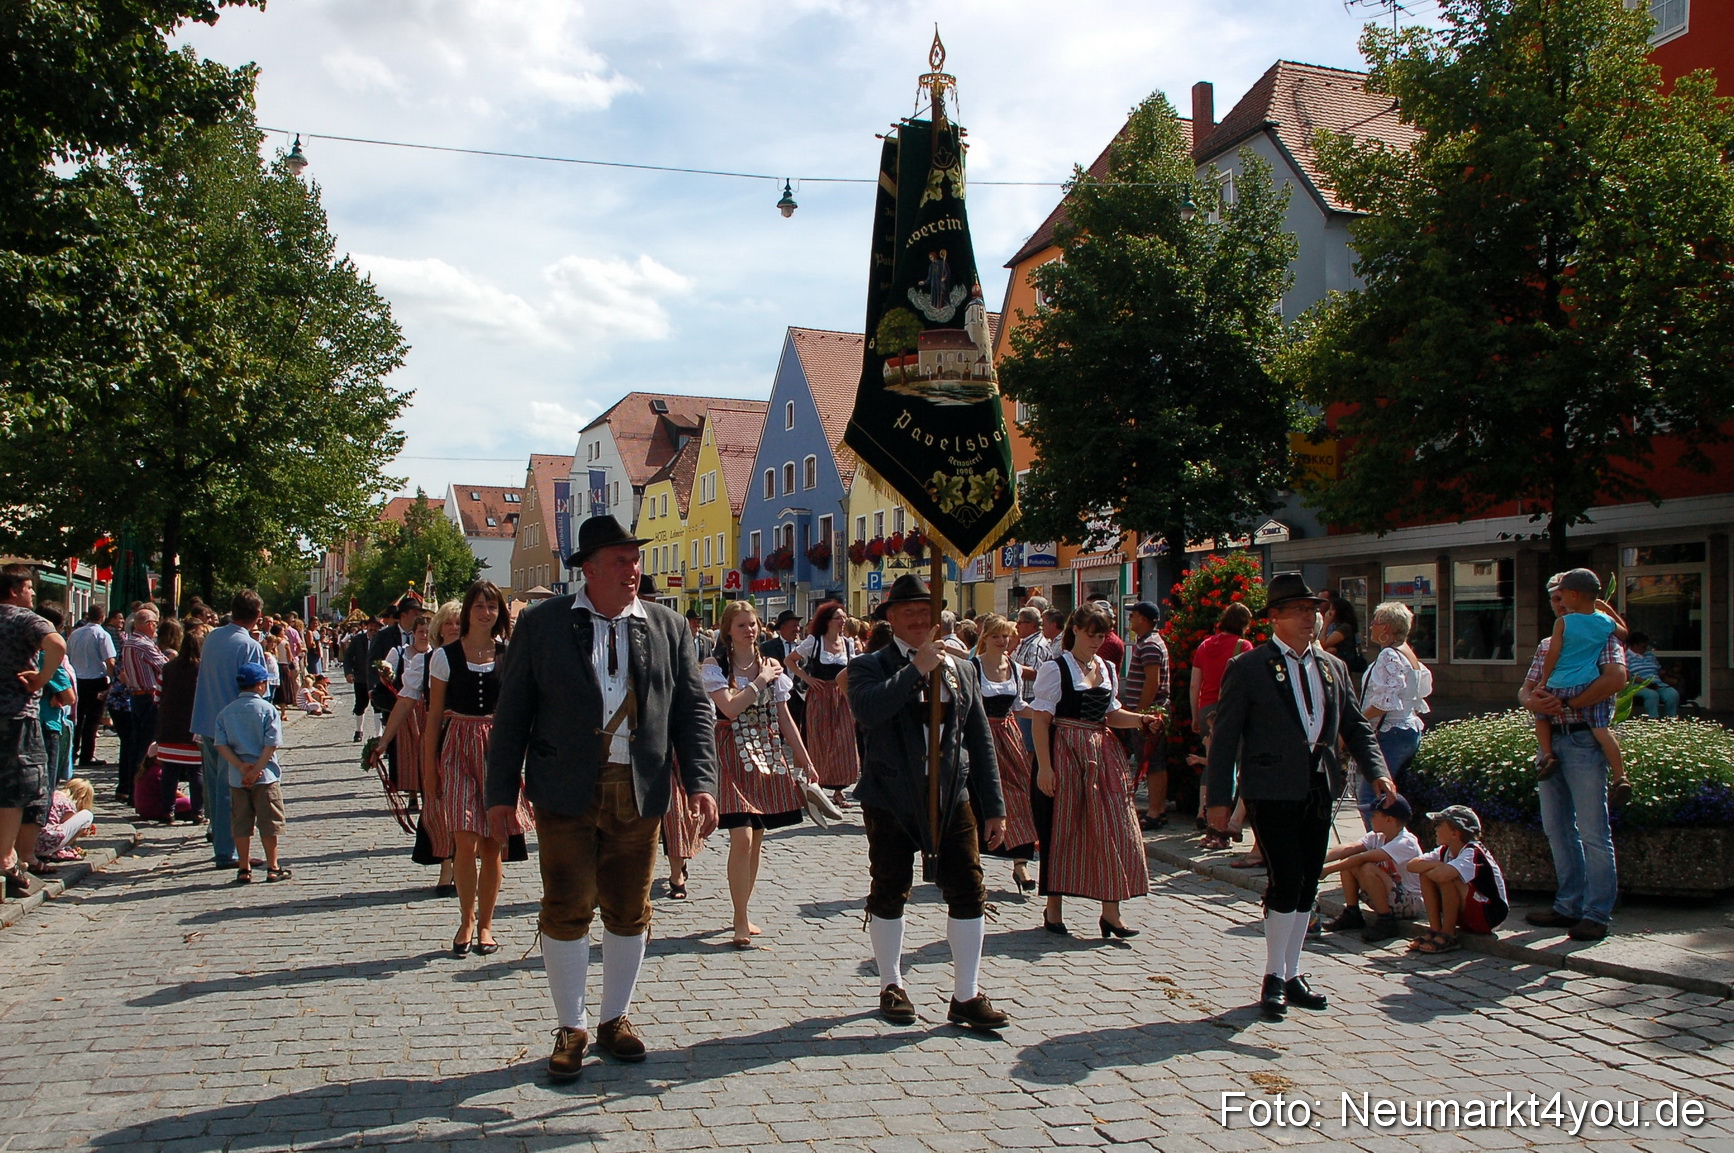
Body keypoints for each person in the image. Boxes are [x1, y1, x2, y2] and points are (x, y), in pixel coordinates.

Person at [487, 515, 718, 1081]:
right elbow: (512, 713)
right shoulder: (542, 626)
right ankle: (572, 1025)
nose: (632, 569)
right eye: (619, 560)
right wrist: (498, 794)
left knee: (629, 907)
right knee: (566, 906)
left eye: (634, 559)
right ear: (588, 569)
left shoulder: (667, 626)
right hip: (565, 788)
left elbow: (692, 710)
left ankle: (615, 1018)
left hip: (639, 789)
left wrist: (703, 783)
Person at [1205, 573, 1392, 1019]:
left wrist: (1379, 772)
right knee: (1286, 878)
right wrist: (1218, 801)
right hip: (1269, 787)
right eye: (1299, 611)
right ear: (1274, 618)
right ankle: (1273, 975)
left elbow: (1355, 726)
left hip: (1317, 783)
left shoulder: (1332, 665)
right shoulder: (1249, 667)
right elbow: (1226, 736)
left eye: (1315, 610)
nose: (1311, 619)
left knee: (1308, 880)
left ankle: (1292, 972)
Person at [847, 573, 1009, 1030]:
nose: (920, 620)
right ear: (891, 618)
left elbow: (979, 740)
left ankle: (966, 993)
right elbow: (869, 711)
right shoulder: (869, 666)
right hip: (891, 796)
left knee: (968, 889)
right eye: (909, 613)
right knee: (889, 887)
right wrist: (915, 668)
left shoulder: (961, 669)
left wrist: (993, 806)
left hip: (950, 796)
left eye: (926, 612)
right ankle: (891, 984)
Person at [1029, 603, 1160, 938]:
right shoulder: (1056, 668)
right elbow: (1041, 721)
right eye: (1091, 634)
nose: (1096, 641)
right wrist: (1044, 767)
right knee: (1063, 829)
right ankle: (1053, 909)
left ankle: (1111, 914)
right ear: (1075, 629)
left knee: (1112, 828)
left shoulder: (1106, 667)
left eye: (1101, 635)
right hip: (1065, 753)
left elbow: (1111, 714)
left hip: (1102, 756)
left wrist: (1141, 720)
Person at [709, 600, 827, 947]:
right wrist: (759, 681)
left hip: (767, 751)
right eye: (742, 624)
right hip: (731, 753)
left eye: (753, 623)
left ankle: (742, 910)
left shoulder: (772, 665)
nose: (750, 630)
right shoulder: (715, 665)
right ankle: (740, 918)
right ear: (728, 629)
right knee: (741, 836)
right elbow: (728, 708)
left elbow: (785, 716)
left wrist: (805, 760)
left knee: (757, 838)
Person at [1518, 571, 1626, 942]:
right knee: (1557, 828)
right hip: (1552, 738)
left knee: (1594, 833)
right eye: (1555, 601)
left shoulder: (1602, 636)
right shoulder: (1550, 643)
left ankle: (1596, 913)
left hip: (1582, 741)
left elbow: (1615, 679)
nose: (1560, 605)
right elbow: (1527, 688)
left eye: (1564, 599)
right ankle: (1568, 905)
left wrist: (1568, 702)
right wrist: (1534, 700)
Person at [424, 580, 522, 958]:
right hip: (459, 744)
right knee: (464, 839)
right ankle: (466, 918)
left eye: (492, 606)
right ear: (467, 611)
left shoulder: (508, 654)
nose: (485, 612)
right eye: (479, 606)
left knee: (492, 844)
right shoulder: (444, 657)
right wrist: (428, 769)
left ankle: (486, 925)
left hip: (497, 748)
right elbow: (434, 717)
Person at [0, 566, 67, 896]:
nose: (33, 594)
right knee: (18, 789)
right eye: (29, 588)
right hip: (16, 715)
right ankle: (7, 858)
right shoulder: (22, 619)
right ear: (13, 590)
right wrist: (41, 679)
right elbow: (56, 644)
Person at [191, 591, 267, 872]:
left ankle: (219, 839)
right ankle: (227, 851)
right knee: (230, 791)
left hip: (206, 721)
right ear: (257, 616)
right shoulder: (248, 645)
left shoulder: (213, 637)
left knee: (213, 788)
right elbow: (257, 691)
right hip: (233, 727)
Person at [1534, 569, 1629, 793]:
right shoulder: (1604, 624)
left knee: (1542, 716)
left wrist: (1544, 681)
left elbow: (1553, 655)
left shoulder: (1564, 624)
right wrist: (1606, 610)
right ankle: (1620, 776)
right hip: (1588, 683)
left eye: (1562, 595)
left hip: (1561, 684)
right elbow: (1624, 634)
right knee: (1602, 730)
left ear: (1574, 595)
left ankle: (1547, 756)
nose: (1561, 602)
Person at [970, 615, 1038, 893]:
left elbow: (1019, 705)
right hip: (980, 736)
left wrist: (1047, 716)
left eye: (1006, 636)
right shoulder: (973, 667)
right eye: (997, 636)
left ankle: (1021, 861)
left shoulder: (1013, 667)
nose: (1002, 641)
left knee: (1020, 795)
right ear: (985, 637)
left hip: (1009, 736)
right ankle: (971, 860)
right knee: (978, 796)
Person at [1358, 601, 1433, 826]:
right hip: (1408, 729)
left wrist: (1357, 722)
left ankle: (1380, 849)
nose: (1371, 627)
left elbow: (1384, 702)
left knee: (1371, 794)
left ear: (1387, 628)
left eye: (1375, 622)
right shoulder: (1408, 653)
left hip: (1391, 732)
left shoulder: (1389, 655)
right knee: (1388, 794)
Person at [214, 661, 289, 883]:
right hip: (265, 775)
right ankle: (273, 866)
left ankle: (244, 867)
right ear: (260, 685)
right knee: (270, 822)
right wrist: (257, 769)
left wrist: (240, 766)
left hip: (238, 778)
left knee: (241, 823)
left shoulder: (226, 712)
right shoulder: (268, 710)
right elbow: (271, 744)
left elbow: (221, 744)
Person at [1192, 604, 1255, 848]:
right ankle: (1228, 823)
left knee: (1214, 763)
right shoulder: (1243, 646)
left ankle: (1204, 811)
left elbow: (1194, 684)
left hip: (1207, 708)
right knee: (1239, 766)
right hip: (1233, 709)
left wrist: (1196, 714)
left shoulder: (1204, 646)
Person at [1320, 794, 1423, 942]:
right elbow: (1350, 847)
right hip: (1389, 894)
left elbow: (1363, 858)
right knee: (1349, 862)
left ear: (1389, 820)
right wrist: (1320, 861)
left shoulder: (1405, 842)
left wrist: (1326, 871)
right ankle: (1352, 913)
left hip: (1409, 901)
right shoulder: (1378, 836)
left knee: (1365, 867)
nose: (1370, 818)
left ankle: (1386, 921)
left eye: (1374, 815)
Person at [1406, 805, 1509, 955]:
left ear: (1455, 833)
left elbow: (1442, 876)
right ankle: (1435, 929)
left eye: (1439, 825)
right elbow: (1411, 865)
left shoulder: (1472, 852)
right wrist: (1437, 865)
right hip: (1467, 913)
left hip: (1489, 914)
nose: (1435, 828)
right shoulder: (1445, 850)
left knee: (1448, 877)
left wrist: (1436, 868)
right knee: (1426, 874)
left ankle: (1448, 934)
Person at [792, 600, 861, 810]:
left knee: (844, 741)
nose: (843, 621)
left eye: (844, 617)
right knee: (819, 740)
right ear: (828, 621)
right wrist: (808, 679)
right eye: (838, 618)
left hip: (841, 696)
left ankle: (839, 790)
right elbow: (790, 660)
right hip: (820, 696)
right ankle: (817, 788)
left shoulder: (849, 644)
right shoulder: (814, 641)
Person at [1122, 601, 1172, 830]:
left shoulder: (1150, 645)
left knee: (1152, 762)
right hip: (1149, 712)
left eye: (1133, 615)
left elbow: (1152, 681)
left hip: (1150, 713)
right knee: (1151, 761)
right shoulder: (1146, 642)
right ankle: (1157, 808)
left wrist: (1141, 714)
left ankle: (1155, 811)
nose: (1130, 619)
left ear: (1143, 619)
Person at [154, 625, 204, 825]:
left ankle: (167, 811)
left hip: (169, 726)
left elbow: (157, 696)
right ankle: (198, 812)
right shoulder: (203, 669)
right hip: (194, 727)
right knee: (196, 772)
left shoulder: (167, 667)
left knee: (169, 772)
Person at [117, 607, 165, 803]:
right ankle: (139, 791)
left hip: (136, 697)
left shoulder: (128, 643)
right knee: (146, 746)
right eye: (155, 624)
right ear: (149, 624)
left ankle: (129, 788)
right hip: (148, 697)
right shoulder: (144, 645)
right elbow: (165, 666)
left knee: (135, 745)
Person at [67, 606, 116, 770]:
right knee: (92, 720)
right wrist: (113, 680)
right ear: (102, 617)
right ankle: (86, 755)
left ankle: (72, 753)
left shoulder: (75, 634)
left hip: (77, 679)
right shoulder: (102, 634)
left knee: (77, 718)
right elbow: (110, 661)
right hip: (96, 679)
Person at [761, 610, 807, 731]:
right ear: (782, 627)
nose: (797, 629)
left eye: (798, 626)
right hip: (775, 697)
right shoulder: (767, 647)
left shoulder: (804, 647)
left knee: (799, 731)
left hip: (799, 696)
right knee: (776, 731)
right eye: (793, 626)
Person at [35, 777, 96, 863]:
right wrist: (81, 831)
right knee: (87, 815)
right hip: (47, 844)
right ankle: (60, 849)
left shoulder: (53, 794)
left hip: (32, 842)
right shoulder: (68, 804)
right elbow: (69, 829)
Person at [1625, 632, 1679, 718]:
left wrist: (1669, 672)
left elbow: (1658, 670)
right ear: (1635, 645)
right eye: (1643, 646)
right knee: (1652, 695)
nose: (1645, 648)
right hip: (1638, 685)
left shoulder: (1649, 655)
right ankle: (1652, 719)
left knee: (1672, 694)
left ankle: (1671, 719)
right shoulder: (1625, 657)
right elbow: (1626, 676)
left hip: (1656, 683)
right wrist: (1645, 682)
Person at [1320, 592, 1367, 683]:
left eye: (1332, 609)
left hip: (1341, 666)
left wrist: (1325, 624)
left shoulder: (1344, 627)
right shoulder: (1335, 626)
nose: (1329, 612)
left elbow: (1323, 644)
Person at [343, 620, 376, 741]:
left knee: (378, 706)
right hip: (361, 677)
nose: (373, 632)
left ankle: (379, 734)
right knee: (360, 705)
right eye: (371, 629)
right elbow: (348, 657)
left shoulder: (381, 640)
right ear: (366, 628)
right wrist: (348, 673)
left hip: (377, 679)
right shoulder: (358, 640)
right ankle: (359, 730)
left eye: (375, 629)